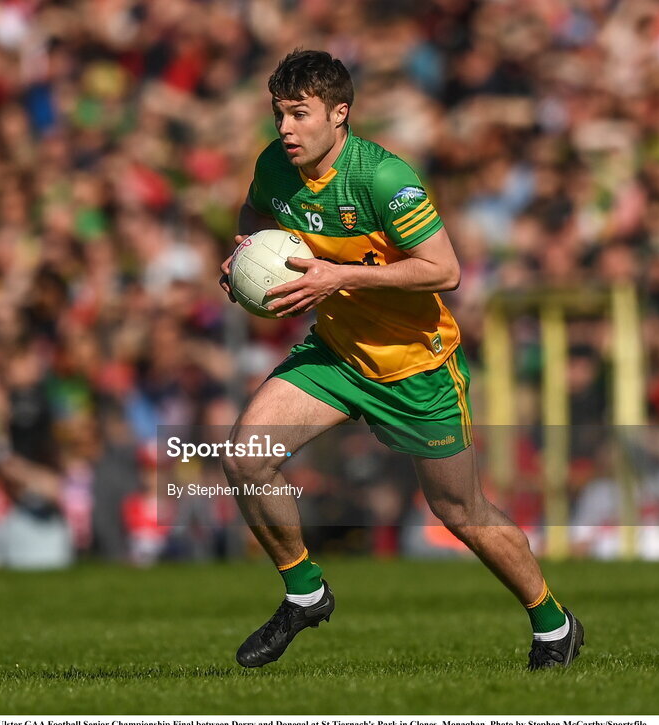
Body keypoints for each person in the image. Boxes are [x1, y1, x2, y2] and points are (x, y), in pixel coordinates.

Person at [219, 49, 584, 671]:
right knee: (245, 456)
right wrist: (245, 254)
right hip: (336, 355)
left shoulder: (383, 177)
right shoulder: (274, 168)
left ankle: (554, 624)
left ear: (340, 115)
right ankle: (305, 593)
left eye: (299, 114)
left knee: (459, 510)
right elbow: (255, 215)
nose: (285, 128)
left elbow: (446, 270)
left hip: (417, 368)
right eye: (278, 113)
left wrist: (340, 277)